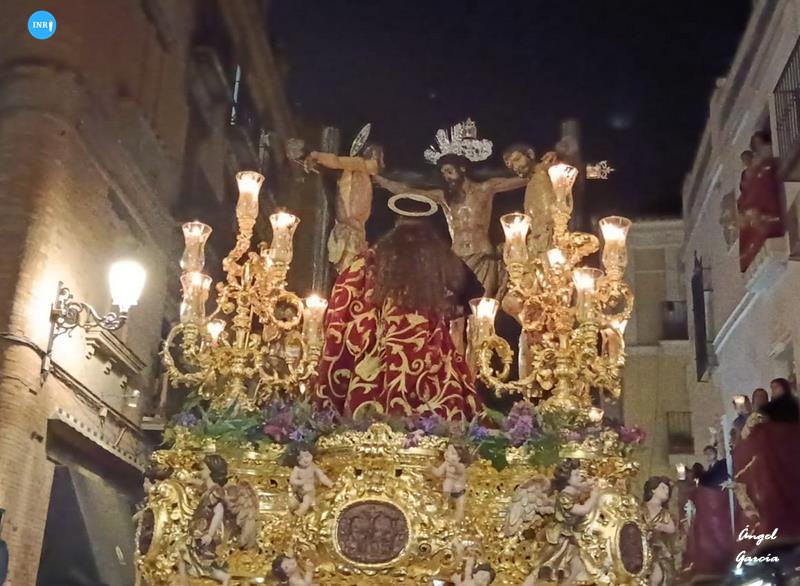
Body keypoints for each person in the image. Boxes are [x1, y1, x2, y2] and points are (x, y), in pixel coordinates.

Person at [315, 211, 484, 421]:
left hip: (372, 373)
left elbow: (340, 314)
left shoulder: (365, 264)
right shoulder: (440, 263)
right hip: (431, 376)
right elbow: (473, 296)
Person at [375, 154, 526, 299]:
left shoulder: (485, 189)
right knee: (456, 305)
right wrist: (380, 180)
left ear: (462, 169)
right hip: (457, 258)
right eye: (444, 174)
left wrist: (536, 171)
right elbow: (407, 190)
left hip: (482, 255)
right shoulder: (444, 197)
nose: (447, 177)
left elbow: (518, 180)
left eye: (449, 171)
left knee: (482, 303)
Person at [305, 144, 384, 273]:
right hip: (345, 229)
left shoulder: (362, 169)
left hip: (355, 231)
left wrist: (317, 157)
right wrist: (316, 156)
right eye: (376, 156)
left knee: (352, 269)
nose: (380, 161)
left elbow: (338, 162)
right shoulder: (357, 165)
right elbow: (336, 162)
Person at [738, 132, 784, 272]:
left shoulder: (760, 163)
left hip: (762, 195)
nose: (746, 161)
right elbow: (744, 188)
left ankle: (766, 219)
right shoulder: (747, 173)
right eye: (744, 160)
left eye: (747, 158)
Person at [643, 477, 676, 586]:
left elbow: (672, 528)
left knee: (658, 575)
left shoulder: (664, 513)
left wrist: (662, 527)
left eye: (668, 490)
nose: (666, 491)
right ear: (653, 490)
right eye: (663, 488)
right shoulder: (641, 508)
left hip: (658, 547)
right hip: (642, 546)